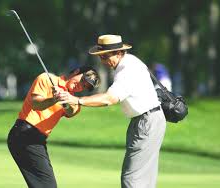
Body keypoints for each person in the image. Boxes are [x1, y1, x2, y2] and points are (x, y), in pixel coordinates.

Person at [57, 35, 166, 188]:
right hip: (149, 119)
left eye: (105, 56)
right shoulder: (130, 62)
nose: (103, 61)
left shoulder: (126, 70)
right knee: (145, 180)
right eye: (100, 57)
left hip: (146, 121)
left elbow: (110, 99)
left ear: (119, 52)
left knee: (131, 179)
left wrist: (77, 100)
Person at [7, 66, 100, 188]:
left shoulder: (74, 101)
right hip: (24, 133)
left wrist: (65, 100)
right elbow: (36, 104)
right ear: (77, 72)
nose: (81, 86)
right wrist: (54, 99)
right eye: (83, 81)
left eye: (85, 87)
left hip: (36, 140)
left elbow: (71, 111)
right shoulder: (46, 78)